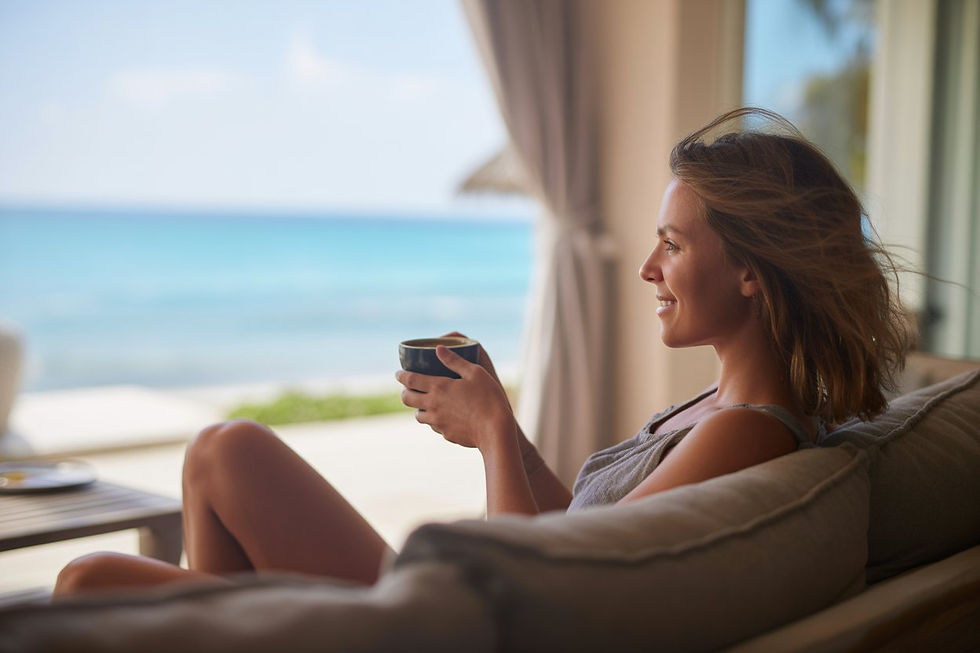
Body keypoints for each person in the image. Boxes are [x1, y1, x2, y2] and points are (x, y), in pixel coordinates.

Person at [52, 107, 913, 597]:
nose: (649, 268)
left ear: (754, 271)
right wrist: (500, 432)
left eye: (674, 247)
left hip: (462, 623)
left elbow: (549, 594)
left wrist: (498, 433)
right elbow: (583, 530)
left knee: (89, 583)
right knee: (222, 450)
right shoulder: (724, 410)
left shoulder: (750, 433)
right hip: (461, 595)